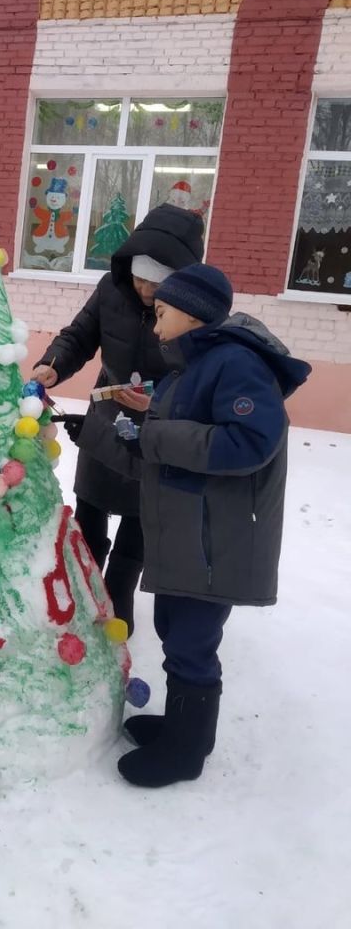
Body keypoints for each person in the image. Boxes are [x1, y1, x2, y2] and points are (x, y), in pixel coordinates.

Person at [76, 263, 311, 787]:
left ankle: (184, 753)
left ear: (192, 312)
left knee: (191, 640)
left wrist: (156, 437)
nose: (155, 328)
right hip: (191, 534)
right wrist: (109, 431)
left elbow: (249, 442)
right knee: (174, 630)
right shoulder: (193, 368)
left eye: (161, 314)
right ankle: (187, 730)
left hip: (216, 538)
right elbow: (170, 442)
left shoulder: (237, 365)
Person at [32, 204, 204, 635]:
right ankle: (86, 588)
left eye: (156, 281)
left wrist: (160, 402)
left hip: (157, 425)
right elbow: (80, 334)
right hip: (107, 415)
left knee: (141, 516)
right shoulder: (112, 288)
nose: (145, 288)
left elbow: (202, 375)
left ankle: (120, 590)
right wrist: (53, 364)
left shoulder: (193, 310)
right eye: (139, 277)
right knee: (91, 504)